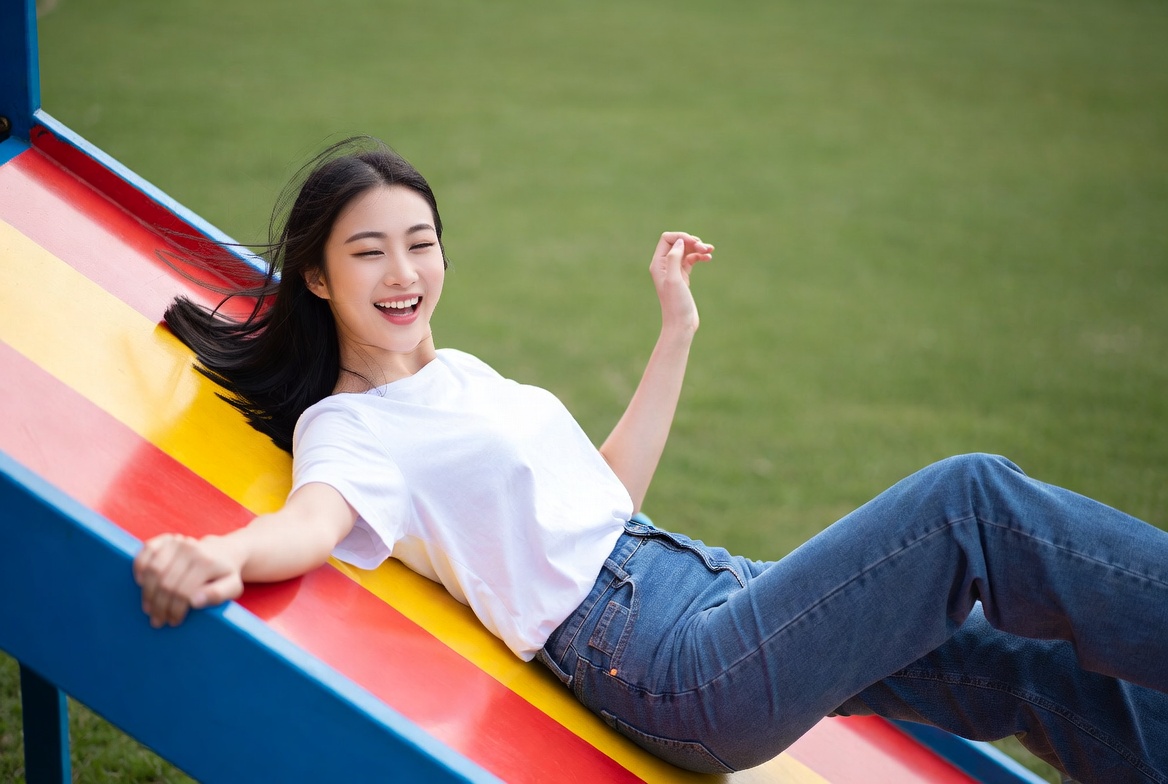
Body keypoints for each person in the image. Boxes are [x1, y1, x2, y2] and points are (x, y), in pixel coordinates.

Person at [134, 137, 1168, 783]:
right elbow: (307, 523)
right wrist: (214, 554)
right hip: (672, 665)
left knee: (1022, 669)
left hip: (704, 590)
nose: (405, 272)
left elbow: (606, 497)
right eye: (370, 251)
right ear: (315, 275)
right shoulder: (351, 428)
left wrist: (673, 331)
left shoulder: (458, 374)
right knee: (968, 504)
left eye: (422, 241)